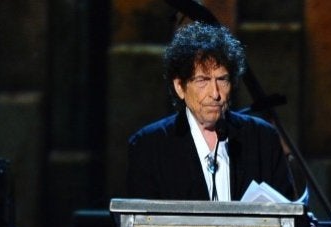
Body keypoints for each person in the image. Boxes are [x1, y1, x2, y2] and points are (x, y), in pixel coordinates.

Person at [126, 21, 294, 201]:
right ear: (180, 87)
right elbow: (141, 224)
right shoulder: (149, 147)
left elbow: (288, 216)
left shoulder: (263, 139)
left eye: (222, 80)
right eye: (202, 80)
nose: (215, 94)